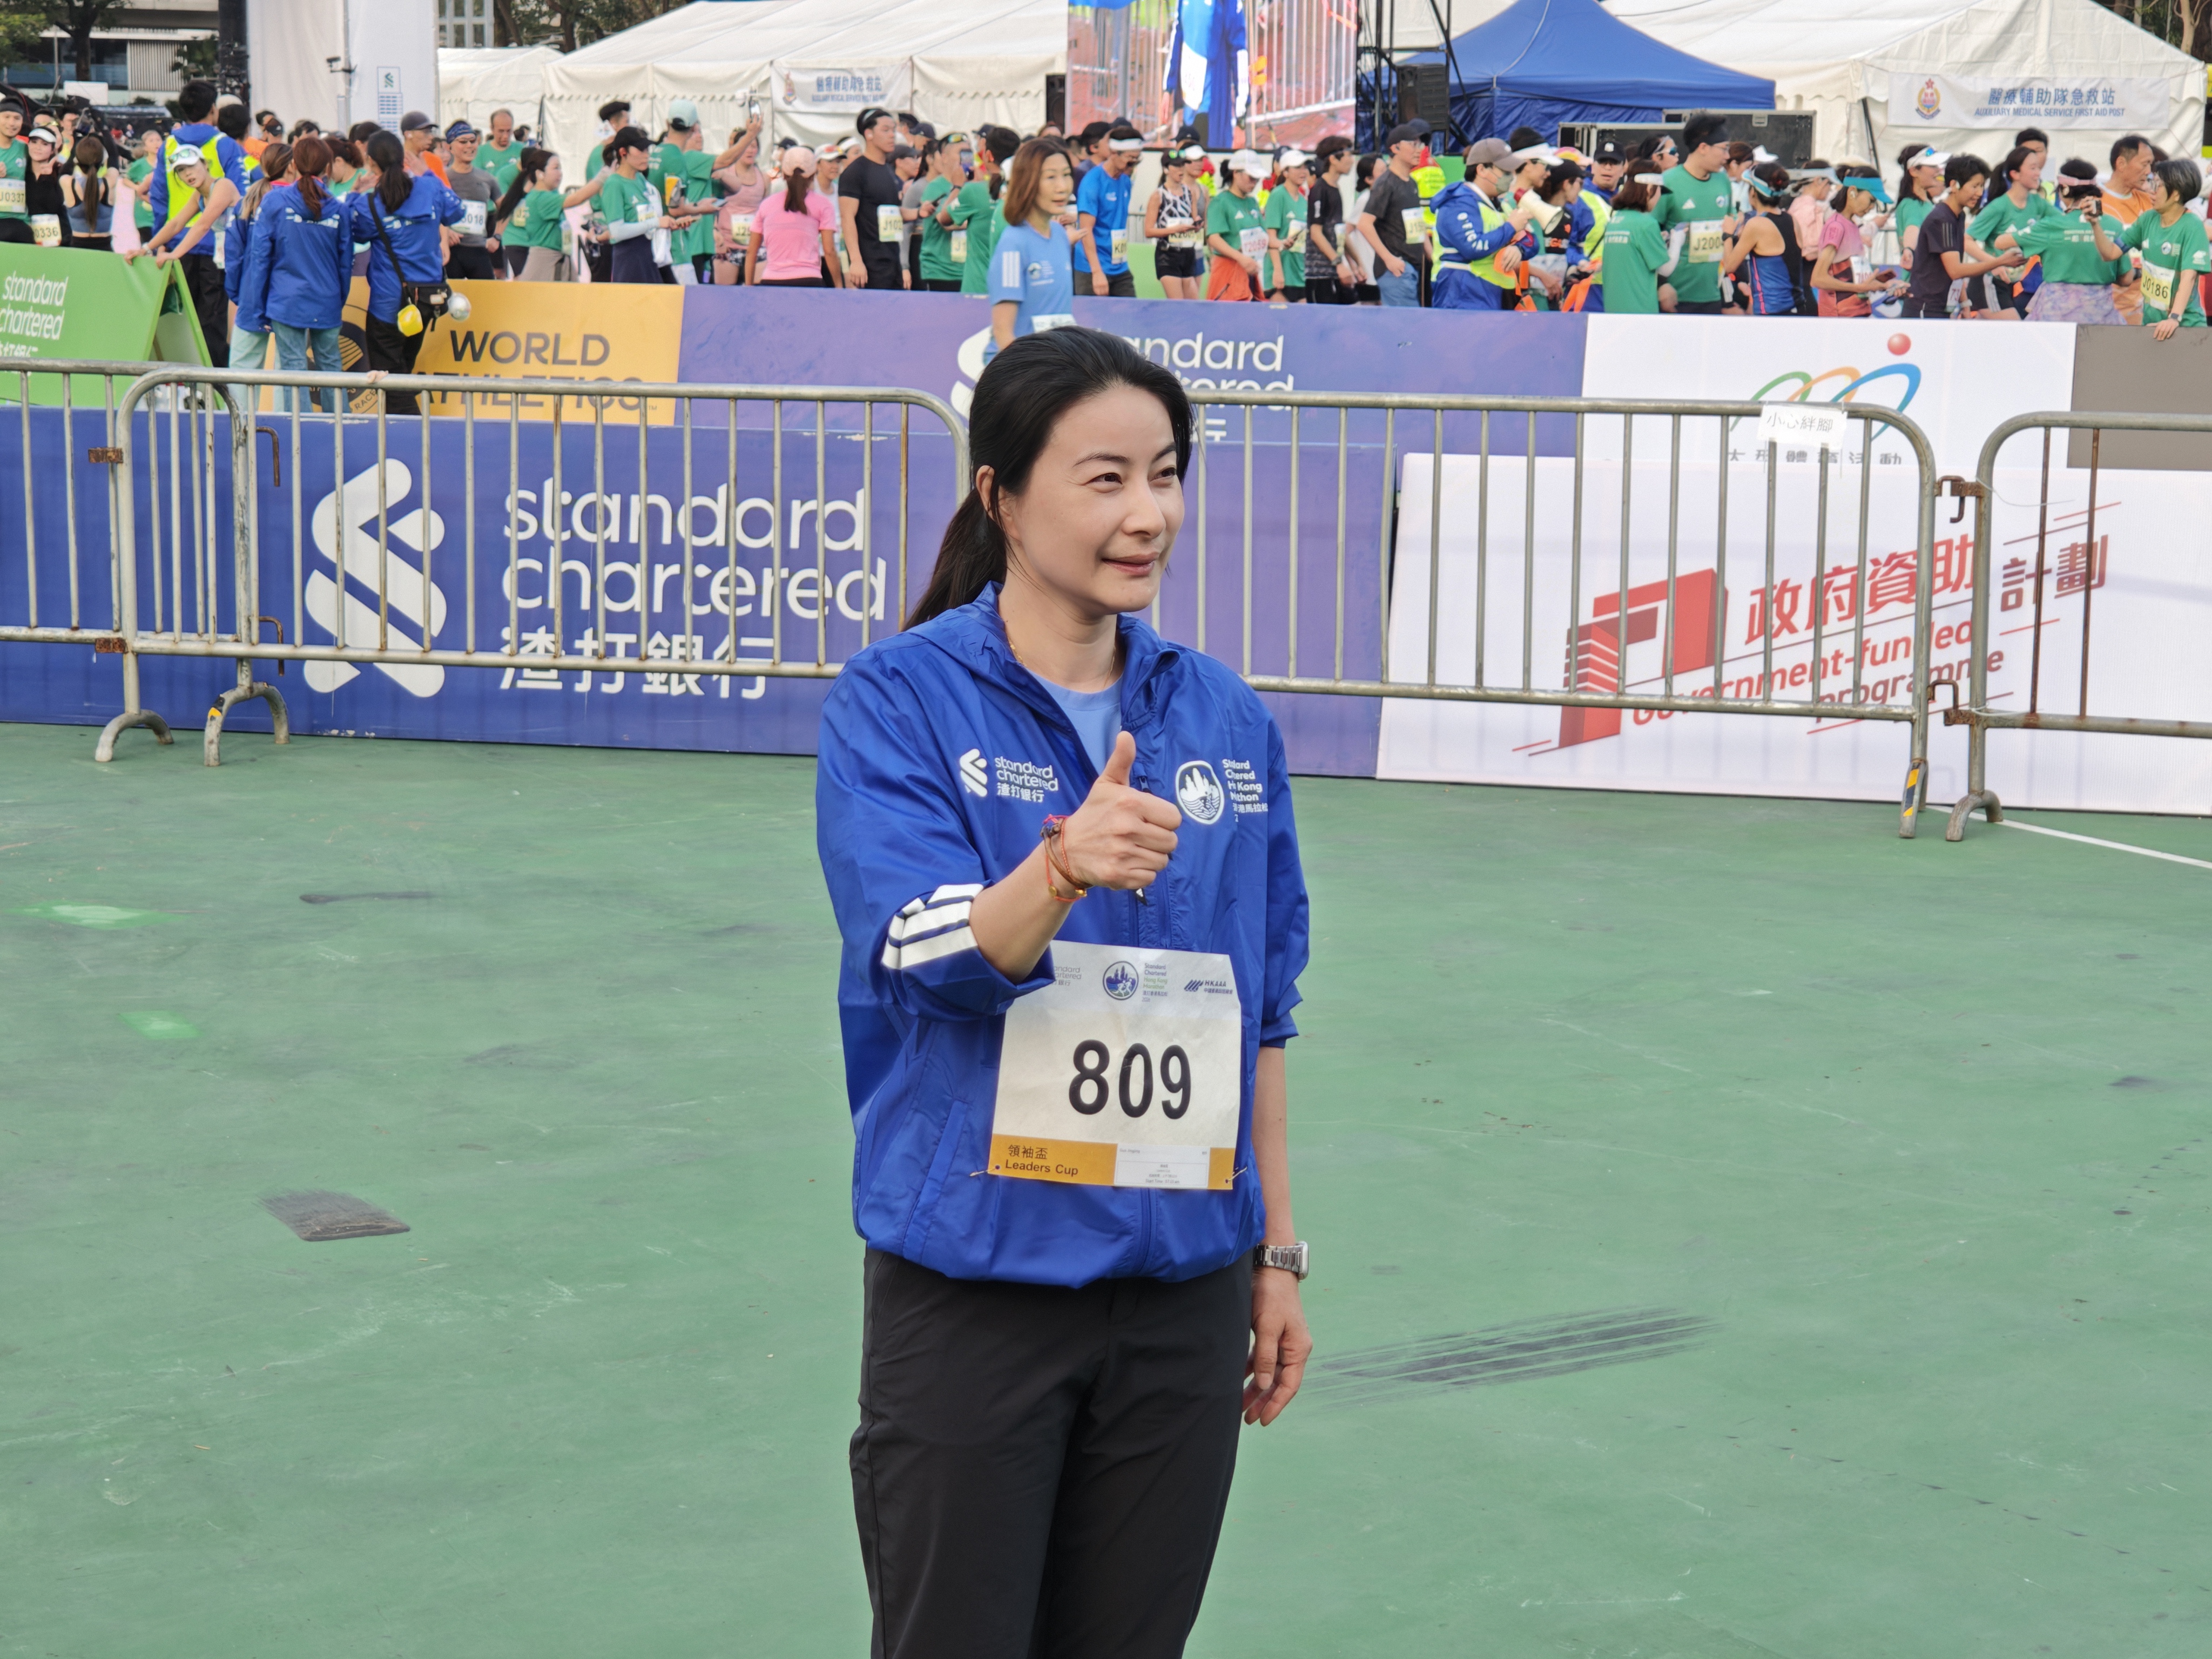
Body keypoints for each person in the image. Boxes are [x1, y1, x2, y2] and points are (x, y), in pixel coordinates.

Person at [817, 324, 1312, 1659]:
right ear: (1000, 495)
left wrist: (1272, 1257)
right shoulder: (897, 699)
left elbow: (1259, 1013)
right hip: (978, 1286)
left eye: (1164, 474)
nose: (1147, 513)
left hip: (1182, 1295)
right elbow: (915, 947)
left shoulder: (1226, 720)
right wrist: (1057, 868)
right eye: (1103, 479)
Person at [350, 129, 463, 412]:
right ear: (404, 159)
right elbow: (457, 211)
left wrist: (354, 193)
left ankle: (414, 431)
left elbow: (354, 231)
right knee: (401, 372)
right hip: (425, 303)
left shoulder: (370, 204)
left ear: (371, 163)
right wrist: (428, 173)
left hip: (388, 306)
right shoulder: (430, 189)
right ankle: (402, 430)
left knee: (390, 380)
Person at [240, 133, 352, 410]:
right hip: (326, 300)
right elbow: (345, 264)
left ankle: (299, 433)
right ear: (328, 168)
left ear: (294, 165)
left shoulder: (275, 202)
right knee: (332, 367)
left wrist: (260, 306)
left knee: (293, 369)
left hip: (286, 301)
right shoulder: (339, 209)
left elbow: (260, 259)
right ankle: (343, 429)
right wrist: (337, 300)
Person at [142, 80, 249, 365]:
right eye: (183, 171)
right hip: (213, 252)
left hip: (190, 251)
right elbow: (243, 201)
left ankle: (206, 385)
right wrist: (150, 246)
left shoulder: (169, 145)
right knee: (210, 324)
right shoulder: (226, 145)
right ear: (214, 109)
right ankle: (208, 386)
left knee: (188, 324)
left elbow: (161, 200)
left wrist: (164, 247)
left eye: (192, 168)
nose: (188, 175)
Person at [2000, 159, 2127, 324]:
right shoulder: (2115, 225)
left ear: (2065, 189)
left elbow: (2001, 243)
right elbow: (2126, 279)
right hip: (2100, 318)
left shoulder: (2051, 226)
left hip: (2055, 317)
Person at [1901, 154, 2020, 320]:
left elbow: (1954, 267)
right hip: (1925, 309)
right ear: (1954, 185)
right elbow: (1956, 271)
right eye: (1975, 186)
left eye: (1982, 186)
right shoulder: (1942, 219)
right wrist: (1999, 262)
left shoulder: (1957, 216)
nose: (1979, 193)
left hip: (1941, 308)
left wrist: (1964, 303)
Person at [1427, 137, 1535, 312]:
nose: (1511, 177)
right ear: (1482, 170)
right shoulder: (1457, 203)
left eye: (1512, 172)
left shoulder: (1499, 204)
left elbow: (1532, 240)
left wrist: (1519, 249)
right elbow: (1473, 247)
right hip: (1462, 297)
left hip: (1492, 297)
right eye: (1505, 171)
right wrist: (1511, 228)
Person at [987, 137, 1075, 353]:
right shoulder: (1013, 243)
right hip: (1020, 368)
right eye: (1051, 177)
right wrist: (1033, 371)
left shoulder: (1060, 235)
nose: (1062, 187)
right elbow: (1003, 334)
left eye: (1066, 175)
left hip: (1055, 363)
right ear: (1028, 182)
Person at [2116, 157, 2208, 339]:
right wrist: (2095, 224)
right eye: (2152, 183)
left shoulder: (2193, 226)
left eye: (2158, 185)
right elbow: (2112, 252)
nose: (2151, 190)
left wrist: (2174, 318)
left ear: (2176, 194)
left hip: (2185, 327)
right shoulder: (2148, 219)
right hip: (2152, 324)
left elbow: (2189, 277)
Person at [1653, 112, 1735, 315]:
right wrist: (1661, 284)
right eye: (1724, 149)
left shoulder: (1723, 181)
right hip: (1675, 298)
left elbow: (1728, 233)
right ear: (1704, 148)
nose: (1727, 157)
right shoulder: (1668, 182)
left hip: (1713, 297)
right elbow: (1650, 236)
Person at [224, 141, 290, 371]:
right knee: (289, 370)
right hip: (290, 297)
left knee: (242, 368)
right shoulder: (299, 204)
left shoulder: (248, 202)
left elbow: (233, 255)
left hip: (251, 294)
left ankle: (239, 403)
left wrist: (238, 293)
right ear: (292, 167)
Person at [1719, 161, 1812, 316]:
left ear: (1753, 193)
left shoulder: (1756, 224)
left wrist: (1727, 235)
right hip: (1799, 308)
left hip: (1771, 313)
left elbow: (1729, 266)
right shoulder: (1791, 219)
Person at [496, 148, 600, 282]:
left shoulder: (549, 195)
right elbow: (577, 198)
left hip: (560, 258)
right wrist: (603, 176)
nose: (560, 173)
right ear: (540, 174)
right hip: (546, 261)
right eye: (556, 168)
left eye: (560, 168)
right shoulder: (541, 198)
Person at [1810, 168, 1903, 317]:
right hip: (1840, 317)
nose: (1872, 207)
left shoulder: (1851, 224)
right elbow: (1818, 279)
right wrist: (1859, 288)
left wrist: (1882, 284)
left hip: (1856, 313)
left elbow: (1850, 277)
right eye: (1871, 200)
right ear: (1852, 192)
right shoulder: (1836, 227)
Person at [594, 125, 680, 284]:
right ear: (623, 153)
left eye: (647, 150)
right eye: (641, 150)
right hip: (630, 262)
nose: (647, 155)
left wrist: (669, 224)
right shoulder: (614, 184)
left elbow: (644, 219)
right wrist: (656, 223)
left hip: (651, 257)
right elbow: (617, 232)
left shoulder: (641, 179)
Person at [746, 146, 841, 288]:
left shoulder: (767, 205)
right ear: (813, 174)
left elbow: (751, 252)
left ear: (784, 173)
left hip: (772, 280)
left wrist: (748, 287)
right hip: (810, 280)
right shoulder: (823, 204)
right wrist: (839, 286)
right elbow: (830, 251)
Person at [1358, 122, 1429, 307]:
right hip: (1397, 271)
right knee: (1405, 323)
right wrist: (1389, 259)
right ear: (1395, 148)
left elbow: (1418, 225)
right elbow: (1364, 224)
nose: (1419, 150)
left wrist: (1434, 258)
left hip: (1411, 269)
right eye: (1413, 144)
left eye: (1421, 145)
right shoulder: (1386, 183)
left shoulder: (1412, 183)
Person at [839, 106, 907, 291]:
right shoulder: (856, 172)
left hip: (893, 263)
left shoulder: (889, 170)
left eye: (893, 130)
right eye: (885, 130)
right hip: (870, 265)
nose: (892, 135)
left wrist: (919, 212)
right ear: (869, 134)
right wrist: (856, 261)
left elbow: (893, 212)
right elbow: (847, 217)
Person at [654, 100, 721, 284]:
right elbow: (675, 207)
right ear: (693, 128)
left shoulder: (656, 153)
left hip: (654, 246)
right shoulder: (676, 159)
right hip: (673, 249)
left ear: (667, 123)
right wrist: (700, 208)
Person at [1073, 123, 1139, 298]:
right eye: (1130, 159)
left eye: (1137, 160)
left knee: (1130, 312)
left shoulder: (1125, 181)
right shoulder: (1093, 182)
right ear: (1114, 153)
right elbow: (1086, 230)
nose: (1133, 164)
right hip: (1092, 267)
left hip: (1119, 265)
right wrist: (1097, 272)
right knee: (1091, 316)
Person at [956, 127, 1018, 301]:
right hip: (1011, 290)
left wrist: (957, 186)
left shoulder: (973, 190)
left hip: (977, 288)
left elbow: (943, 219)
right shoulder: (1023, 197)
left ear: (988, 156)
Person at [1595, 174, 1669, 314]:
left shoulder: (1615, 220)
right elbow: (1665, 269)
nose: (1660, 198)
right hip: (1640, 310)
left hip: (1612, 308)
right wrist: (1678, 240)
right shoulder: (1647, 224)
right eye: (1660, 191)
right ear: (1650, 189)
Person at [711, 122, 772, 286]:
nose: (750, 150)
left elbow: (766, 212)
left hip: (756, 245)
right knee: (725, 295)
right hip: (728, 245)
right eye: (746, 146)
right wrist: (716, 235)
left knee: (759, 293)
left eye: (754, 146)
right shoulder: (724, 174)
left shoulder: (764, 178)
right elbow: (712, 207)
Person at [1202, 149, 1267, 302]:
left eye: (1257, 179)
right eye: (1251, 177)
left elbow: (1263, 235)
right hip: (1228, 273)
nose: (1255, 183)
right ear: (1236, 173)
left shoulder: (1252, 202)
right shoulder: (1220, 202)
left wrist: (1282, 243)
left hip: (1250, 273)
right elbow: (1214, 238)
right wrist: (1241, 258)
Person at [1143, 144, 1205, 300]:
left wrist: (1197, 224)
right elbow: (1149, 231)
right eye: (1176, 166)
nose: (1181, 170)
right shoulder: (1158, 196)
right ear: (1166, 169)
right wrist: (1175, 230)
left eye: (1183, 165)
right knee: (1177, 305)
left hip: (1188, 252)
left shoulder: (1189, 192)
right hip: (1168, 254)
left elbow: (1194, 219)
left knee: (1193, 306)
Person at [441, 120, 501, 280]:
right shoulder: (442, 178)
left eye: (473, 141)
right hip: (451, 250)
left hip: (479, 250)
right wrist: (445, 234)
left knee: (487, 295)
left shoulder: (487, 178)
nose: (469, 146)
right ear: (450, 147)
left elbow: (505, 207)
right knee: (451, 295)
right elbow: (430, 211)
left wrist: (497, 237)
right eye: (463, 142)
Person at [1301, 136, 1358, 304]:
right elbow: (1316, 233)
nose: (1352, 160)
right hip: (1320, 275)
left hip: (1335, 273)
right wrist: (1339, 264)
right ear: (1333, 159)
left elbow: (1339, 232)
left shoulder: (1335, 188)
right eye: (1348, 155)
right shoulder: (1320, 189)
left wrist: (1356, 264)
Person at [914, 134, 968, 292]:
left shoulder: (972, 187)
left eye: (969, 153)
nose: (966, 158)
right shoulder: (935, 187)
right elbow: (948, 223)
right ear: (944, 157)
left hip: (967, 271)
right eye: (961, 153)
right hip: (941, 271)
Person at [1260, 149, 1310, 300]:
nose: (1303, 172)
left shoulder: (1303, 201)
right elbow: (1271, 238)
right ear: (1286, 172)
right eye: (1297, 167)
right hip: (1280, 277)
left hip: (1298, 275)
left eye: (1305, 167)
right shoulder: (1277, 195)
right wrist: (1278, 271)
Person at [59, 134, 112, 251]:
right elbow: (114, 158)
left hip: (78, 248)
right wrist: (104, 129)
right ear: (102, 160)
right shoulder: (110, 182)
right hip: (105, 249)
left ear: (77, 160)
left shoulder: (67, 182)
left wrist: (77, 142)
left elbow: (65, 170)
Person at [1894, 147, 1941, 268]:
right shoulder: (1912, 204)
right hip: (1919, 277)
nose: (1938, 170)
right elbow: (1913, 228)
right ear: (1914, 171)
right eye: (1932, 166)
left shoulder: (1927, 204)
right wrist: (1909, 249)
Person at [22, 126, 69, 248]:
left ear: (53, 150)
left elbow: (55, 206)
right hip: (26, 238)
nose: (38, 147)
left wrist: (46, 178)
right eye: (34, 142)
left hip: (60, 239)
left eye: (45, 144)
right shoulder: (21, 172)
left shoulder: (61, 173)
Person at [1345, 153, 1380, 302]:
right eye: (1382, 172)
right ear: (1369, 179)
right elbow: (1346, 232)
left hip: (1384, 271)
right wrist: (1354, 265)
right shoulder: (1365, 200)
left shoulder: (1384, 199)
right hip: (1369, 272)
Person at [124, 125, 159, 246]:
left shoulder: (167, 164)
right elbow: (126, 180)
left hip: (162, 212)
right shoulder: (139, 165)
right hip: (144, 214)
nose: (156, 143)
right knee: (147, 245)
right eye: (152, 141)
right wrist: (138, 188)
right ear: (145, 147)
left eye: (158, 140)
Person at [399, 110, 447, 183]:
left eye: (430, 132)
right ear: (408, 134)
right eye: (426, 132)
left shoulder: (435, 161)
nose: (431, 137)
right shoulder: (394, 162)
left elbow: (443, 189)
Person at [478, 108, 521, 181]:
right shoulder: (480, 152)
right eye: (501, 131)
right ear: (492, 129)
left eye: (509, 131)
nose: (505, 136)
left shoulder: (522, 150)